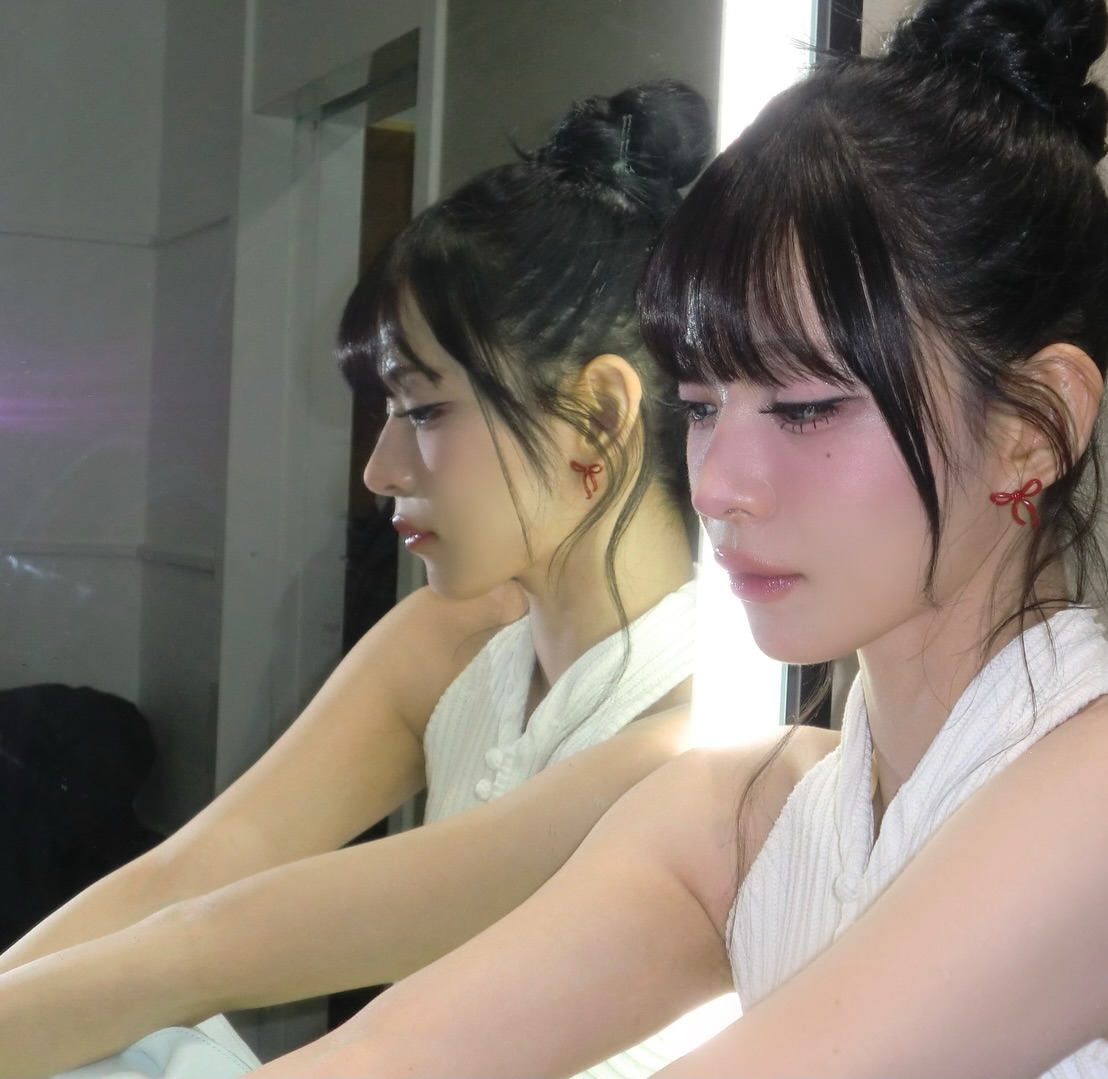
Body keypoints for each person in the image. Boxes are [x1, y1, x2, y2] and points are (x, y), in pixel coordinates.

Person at [247, 2, 1108, 1076]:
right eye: (701, 404)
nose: (718, 483)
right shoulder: (752, 820)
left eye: (804, 407)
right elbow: (381, 1056)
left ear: (1033, 427)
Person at [0, 80, 718, 1078]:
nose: (379, 470)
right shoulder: (448, 642)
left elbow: (205, 944)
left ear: (597, 414)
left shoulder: (696, 727)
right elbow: (189, 878)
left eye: (423, 410)